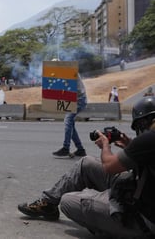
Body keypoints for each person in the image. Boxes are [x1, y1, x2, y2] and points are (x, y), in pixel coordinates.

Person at [17, 96, 155, 238]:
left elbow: (109, 166)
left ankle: (112, 228)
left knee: (68, 201)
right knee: (86, 163)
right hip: (140, 190)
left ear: (144, 122)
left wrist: (105, 145)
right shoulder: (148, 141)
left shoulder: (150, 138)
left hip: (145, 221)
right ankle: (47, 203)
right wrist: (129, 144)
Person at [52, 62, 88, 158]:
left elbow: (69, 89)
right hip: (76, 100)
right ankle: (80, 149)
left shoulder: (69, 72)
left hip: (79, 100)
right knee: (70, 124)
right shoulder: (66, 73)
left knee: (68, 121)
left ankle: (66, 148)